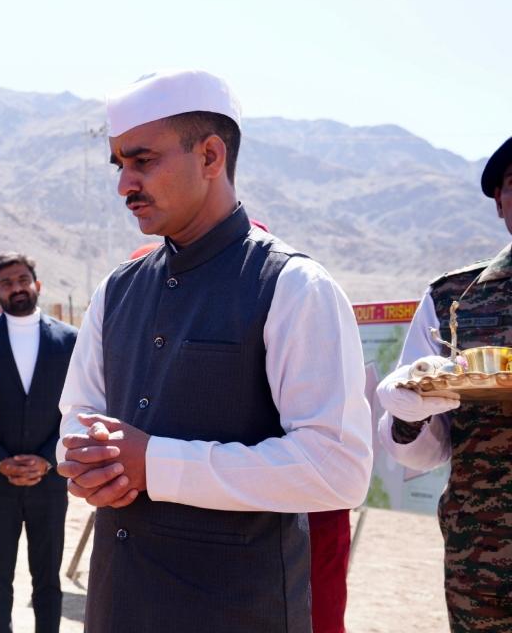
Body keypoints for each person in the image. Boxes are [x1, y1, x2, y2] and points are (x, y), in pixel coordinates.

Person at [56, 69, 373, 633]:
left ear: (209, 156)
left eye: (143, 160)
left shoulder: (294, 286)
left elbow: (338, 469)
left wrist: (157, 464)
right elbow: (77, 418)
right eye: (119, 164)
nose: (124, 184)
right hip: (117, 607)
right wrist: (80, 461)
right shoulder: (117, 290)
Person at [375, 135, 512, 632]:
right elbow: (424, 451)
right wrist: (409, 411)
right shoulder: (456, 299)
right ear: (499, 201)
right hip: (484, 559)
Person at [0, 253, 76, 633]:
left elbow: (76, 408)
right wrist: (0, 460)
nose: (16, 288)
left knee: (47, 579)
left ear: (37, 284)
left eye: (22, 279)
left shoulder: (69, 341)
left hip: (49, 482)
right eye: (7, 283)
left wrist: (47, 459)